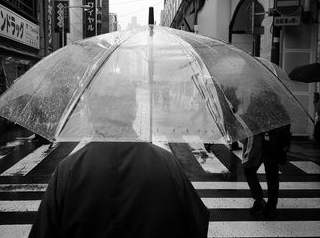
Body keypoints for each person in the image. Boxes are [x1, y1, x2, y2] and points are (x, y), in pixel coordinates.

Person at [28, 73, 209, 238]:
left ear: (91, 113)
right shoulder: (166, 164)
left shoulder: (68, 171)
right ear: (133, 109)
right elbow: (196, 223)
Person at [241, 90, 291, 219]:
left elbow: (247, 122)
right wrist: (284, 147)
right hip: (273, 147)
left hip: (258, 146)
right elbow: (286, 128)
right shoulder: (280, 109)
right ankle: (271, 207)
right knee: (272, 178)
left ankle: (259, 200)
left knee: (249, 171)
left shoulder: (256, 104)